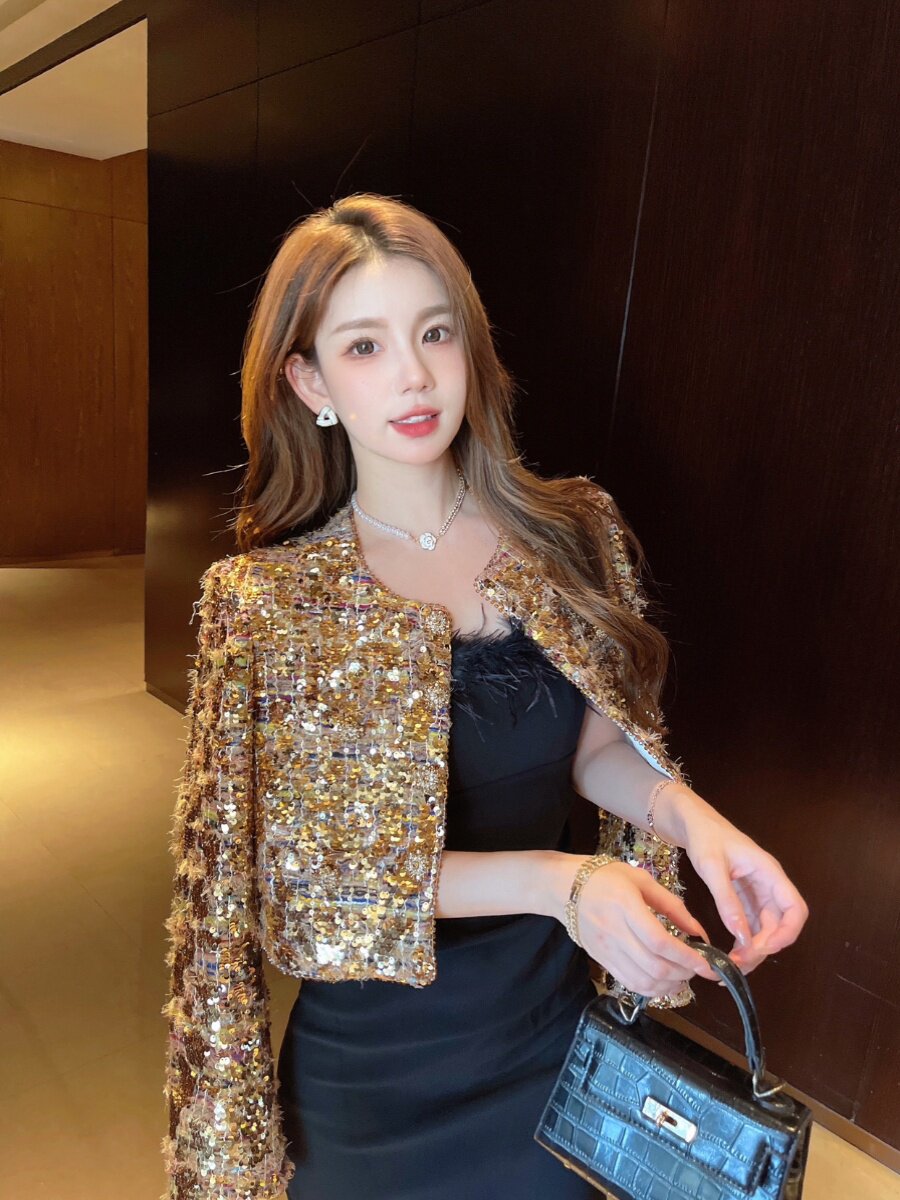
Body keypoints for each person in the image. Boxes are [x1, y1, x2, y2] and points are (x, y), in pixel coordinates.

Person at [160, 193, 808, 1200]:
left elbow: (592, 747)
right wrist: (562, 883)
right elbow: (314, 884)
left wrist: (698, 823)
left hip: (543, 1032)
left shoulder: (571, 532)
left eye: (435, 333)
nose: (414, 375)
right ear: (309, 379)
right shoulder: (267, 602)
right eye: (364, 346)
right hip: (372, 1080)